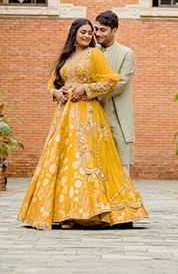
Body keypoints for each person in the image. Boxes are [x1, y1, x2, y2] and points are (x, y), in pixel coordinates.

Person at [17, 19, 148, 231]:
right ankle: (64, 213)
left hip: (87, 116)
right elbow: (51, 84)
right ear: (74, 34)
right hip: (63, 118)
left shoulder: (94, 54)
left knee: (83, 161)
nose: (88, 36)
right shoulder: (65, 56)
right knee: (64, 162)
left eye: (90, 33)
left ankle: (86, 214)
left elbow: (110, 80)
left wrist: (86, 89)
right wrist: (56, 93)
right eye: (83, 32)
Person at [93, 11, 136, 176]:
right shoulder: (90, 52)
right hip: (94, 115)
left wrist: (89, 92)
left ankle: (123, 202)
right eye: (96, 29)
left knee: (122, 168)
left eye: (103, 30)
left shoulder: (126, 54)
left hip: (119, 118)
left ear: (114, 31)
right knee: (95, 167)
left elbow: (120, 84)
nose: (97, 34)